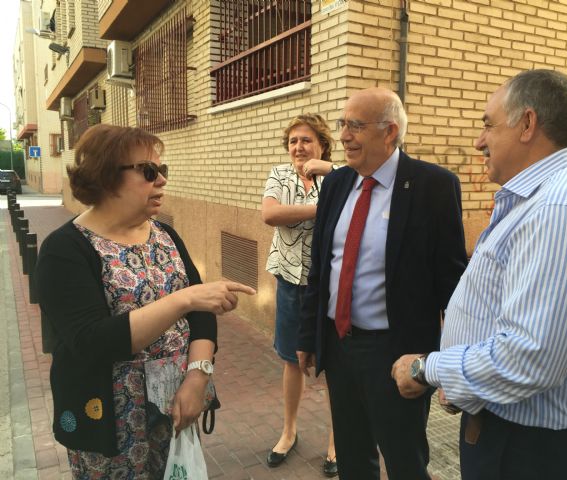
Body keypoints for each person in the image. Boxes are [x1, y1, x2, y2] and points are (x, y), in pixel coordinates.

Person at [392, 69, 567, 480]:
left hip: (533, 450)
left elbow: (530, 356)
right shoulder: (538, 201)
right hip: (514, 435)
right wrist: (465, 383)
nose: (479, 141)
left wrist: (427, 368)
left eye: (488, 125)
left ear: (527, 124)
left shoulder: (561, 210)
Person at [35, 124, 255, 479]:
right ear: (106, 178)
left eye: (162, 171)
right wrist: (183, 300)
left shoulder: (165, 235)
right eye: (149, 172)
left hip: (175, 407)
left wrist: (197, 378)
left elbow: (201, 316)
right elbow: (93, 342)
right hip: (112, 425)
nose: (162, 181)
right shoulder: (65, 250)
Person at [297, 87, 468, 480]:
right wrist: (309, 337)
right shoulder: (338, 184)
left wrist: (452, 365)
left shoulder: (433, 186)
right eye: (343, 125)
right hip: (340, 347)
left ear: (390, 132)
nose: (343, 136)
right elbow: (320, 268)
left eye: (355, 126)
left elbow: (452, 282)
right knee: (353, 459)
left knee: (405, 460)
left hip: (396, 353)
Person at [262, 113, 338, 476]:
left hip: (329, 287)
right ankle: (289, 430)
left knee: (335, 362)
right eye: (293, 141)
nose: (298, 147)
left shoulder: (337, 177)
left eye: (306, 140)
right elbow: (271, 215)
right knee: (292, 359)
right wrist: (322, 209)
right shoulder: (280, 175)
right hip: (291, 283)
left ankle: (337, 441)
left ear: (321, 144)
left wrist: (330, 172)